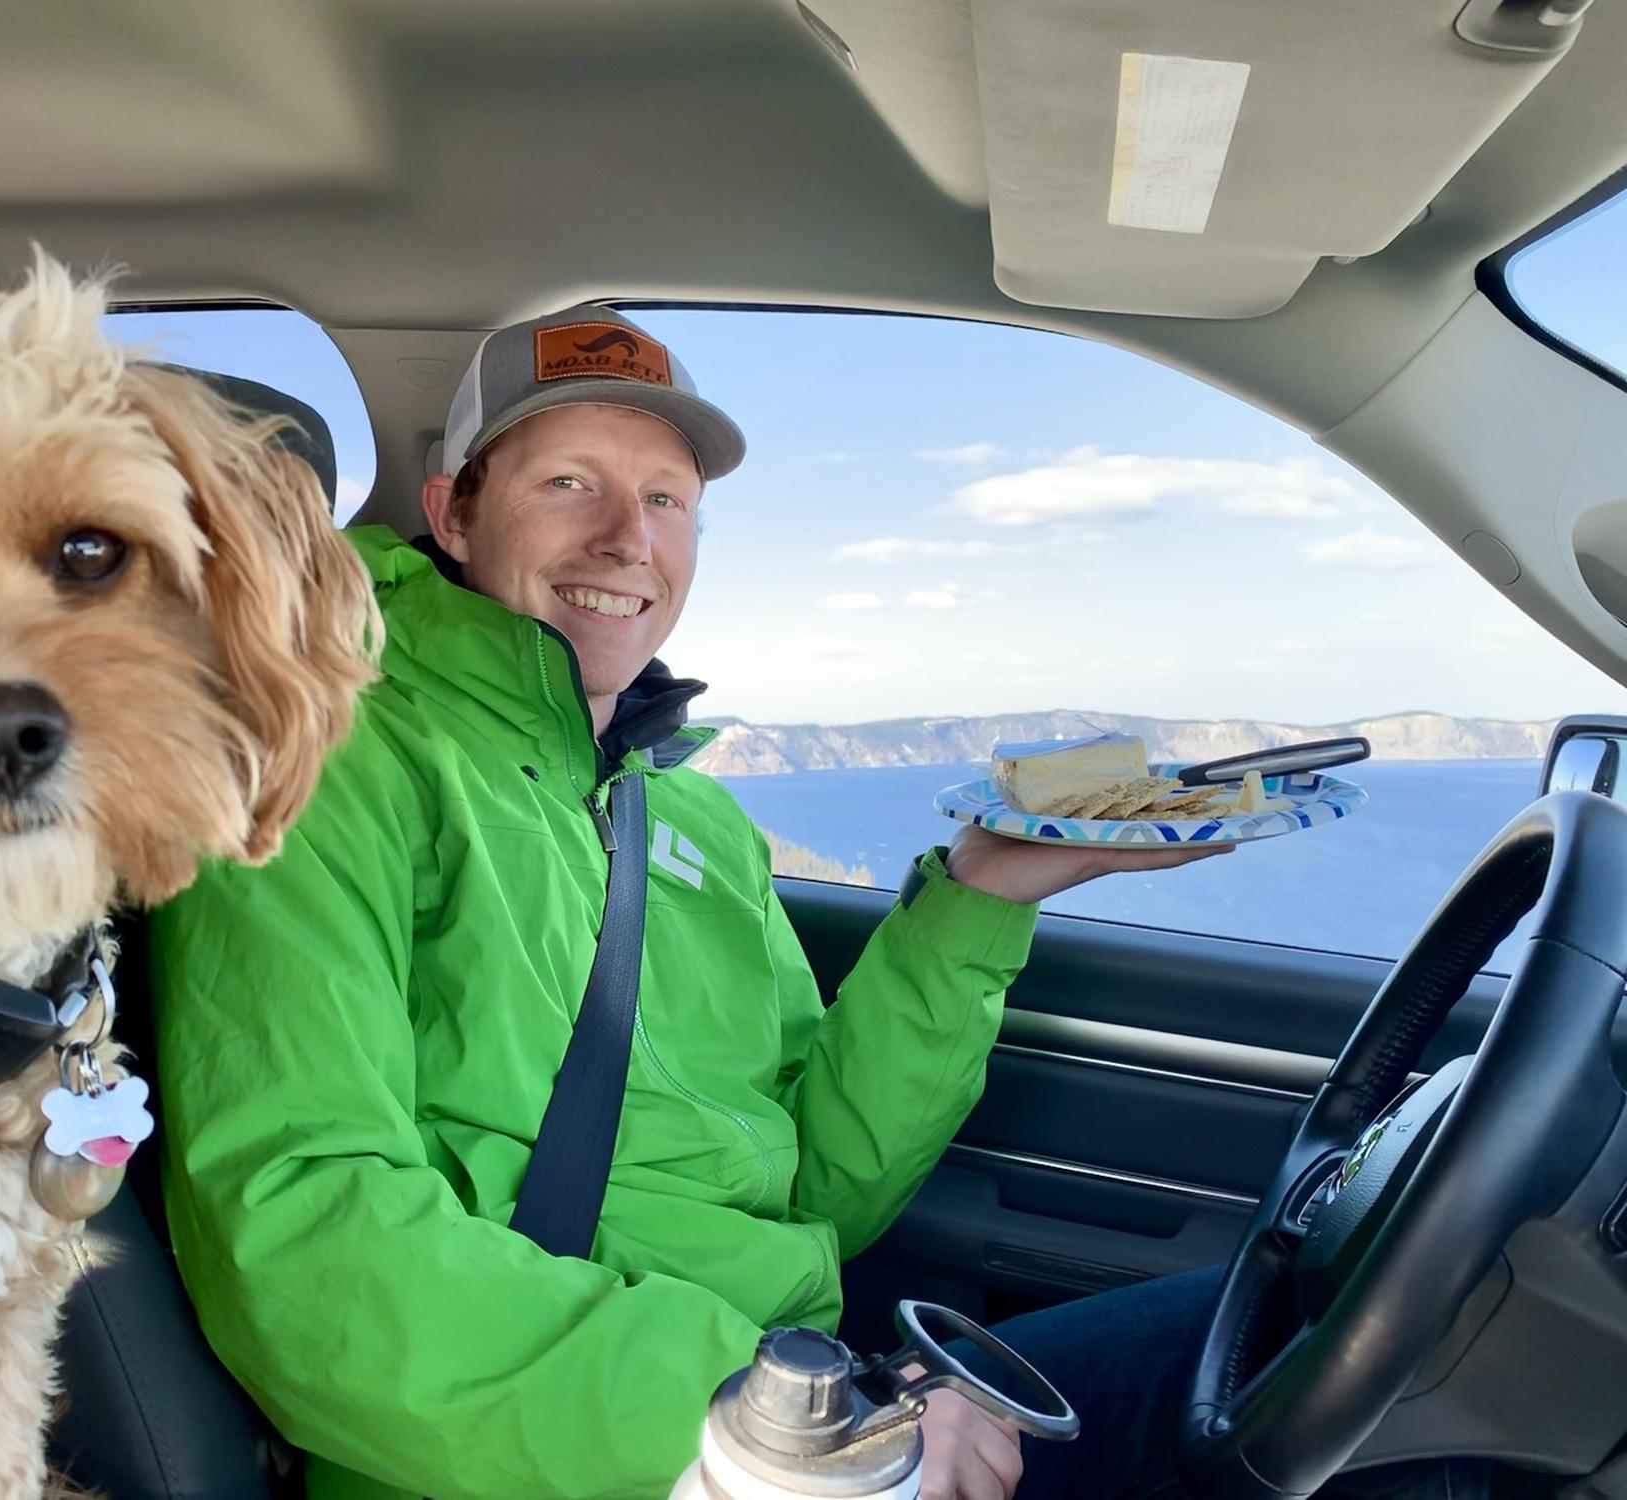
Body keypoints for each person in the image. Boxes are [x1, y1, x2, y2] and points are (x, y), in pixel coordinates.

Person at [149, 307, 1483, 1500]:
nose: (629, 540)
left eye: (667, 501)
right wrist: (779, 1420)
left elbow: (819, 1188)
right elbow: (308, 1238)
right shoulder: (325, 765)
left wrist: (978, 896)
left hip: (787, 1393)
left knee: (1377, 1337)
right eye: (571, 484)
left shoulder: (688, 817)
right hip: (578, 1450)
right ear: (451, 512)